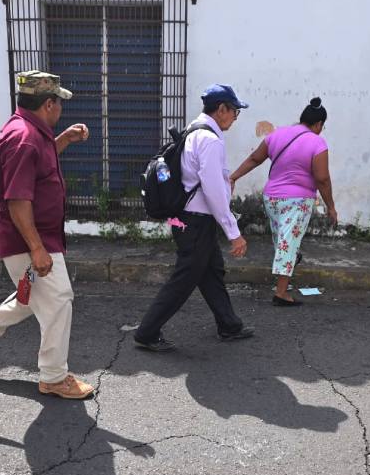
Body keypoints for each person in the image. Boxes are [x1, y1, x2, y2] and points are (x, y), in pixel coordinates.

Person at [0, 71, 94, 399]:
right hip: (30, 237)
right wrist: (36, 247)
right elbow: (17, 198)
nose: (60, 107)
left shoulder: (33, 132)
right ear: (49, 104)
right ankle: (53, 377)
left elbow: (38, 169)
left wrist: (63, 140)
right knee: (58, 299)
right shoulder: (24, 138)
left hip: (36, 235)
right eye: (59, 102)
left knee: (34, 297)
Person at [133, 84, 254, 351]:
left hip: (187, 220)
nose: (235, 117)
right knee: (185, 279)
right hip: (197, 221)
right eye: (234, 111)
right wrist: (233, 232)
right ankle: (147, 332)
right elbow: (214, 191)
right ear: (221, 109)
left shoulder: (193, 131)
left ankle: (229, 325)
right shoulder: (209, 140)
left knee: (211, 272)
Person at [230, 97, 337, 306]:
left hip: (272, 199)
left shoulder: (277, 134)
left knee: (283, 239)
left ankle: (290, 259)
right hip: (297, 201)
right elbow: (322, 178)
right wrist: (331, 207)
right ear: (318, 124)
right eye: (321, 127)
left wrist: (234, 176)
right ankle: (281, 293)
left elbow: (254, 159)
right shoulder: (317, 142)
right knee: (287, 243)